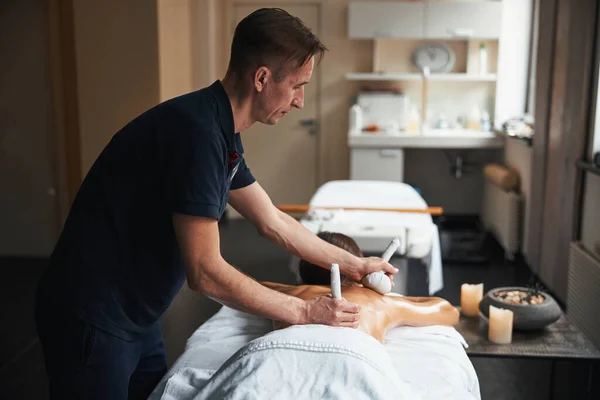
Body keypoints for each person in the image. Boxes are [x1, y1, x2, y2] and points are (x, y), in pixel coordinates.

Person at [34, 7, 398, 400]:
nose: (299, 102)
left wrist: (356, 265)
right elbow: (205, 272)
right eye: (296, 86)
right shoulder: (196, 134)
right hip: (94, 313)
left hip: (136, 313)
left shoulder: (219, 127)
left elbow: (272, 220)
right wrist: (304, 313)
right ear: (261, 78)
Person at [261, 231, 459, 342]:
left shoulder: (288, 295)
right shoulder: (377, 301)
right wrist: (376, 289)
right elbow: (448, 310)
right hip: (353, 360)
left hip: (276, 356)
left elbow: (257, 284)